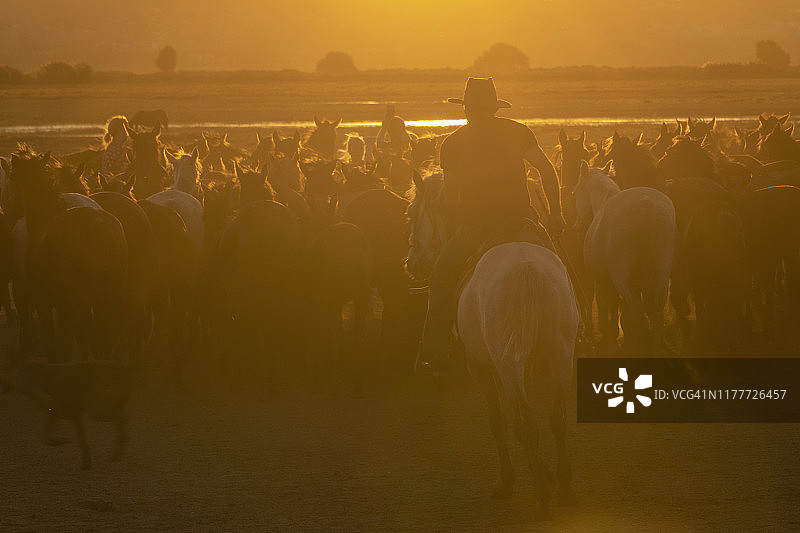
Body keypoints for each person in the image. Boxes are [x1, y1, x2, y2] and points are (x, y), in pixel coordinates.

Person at [417, 77, 566, 375]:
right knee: (562, 270)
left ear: (466, 109)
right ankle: (580, 332)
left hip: (476, 227)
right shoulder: (519, 132)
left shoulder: (453, 143)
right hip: (523, 221)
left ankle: (435, 356)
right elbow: (547, 171)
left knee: (440, 281)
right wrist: (556, 214)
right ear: (495, 108)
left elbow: (450, 196)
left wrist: (443, 206)